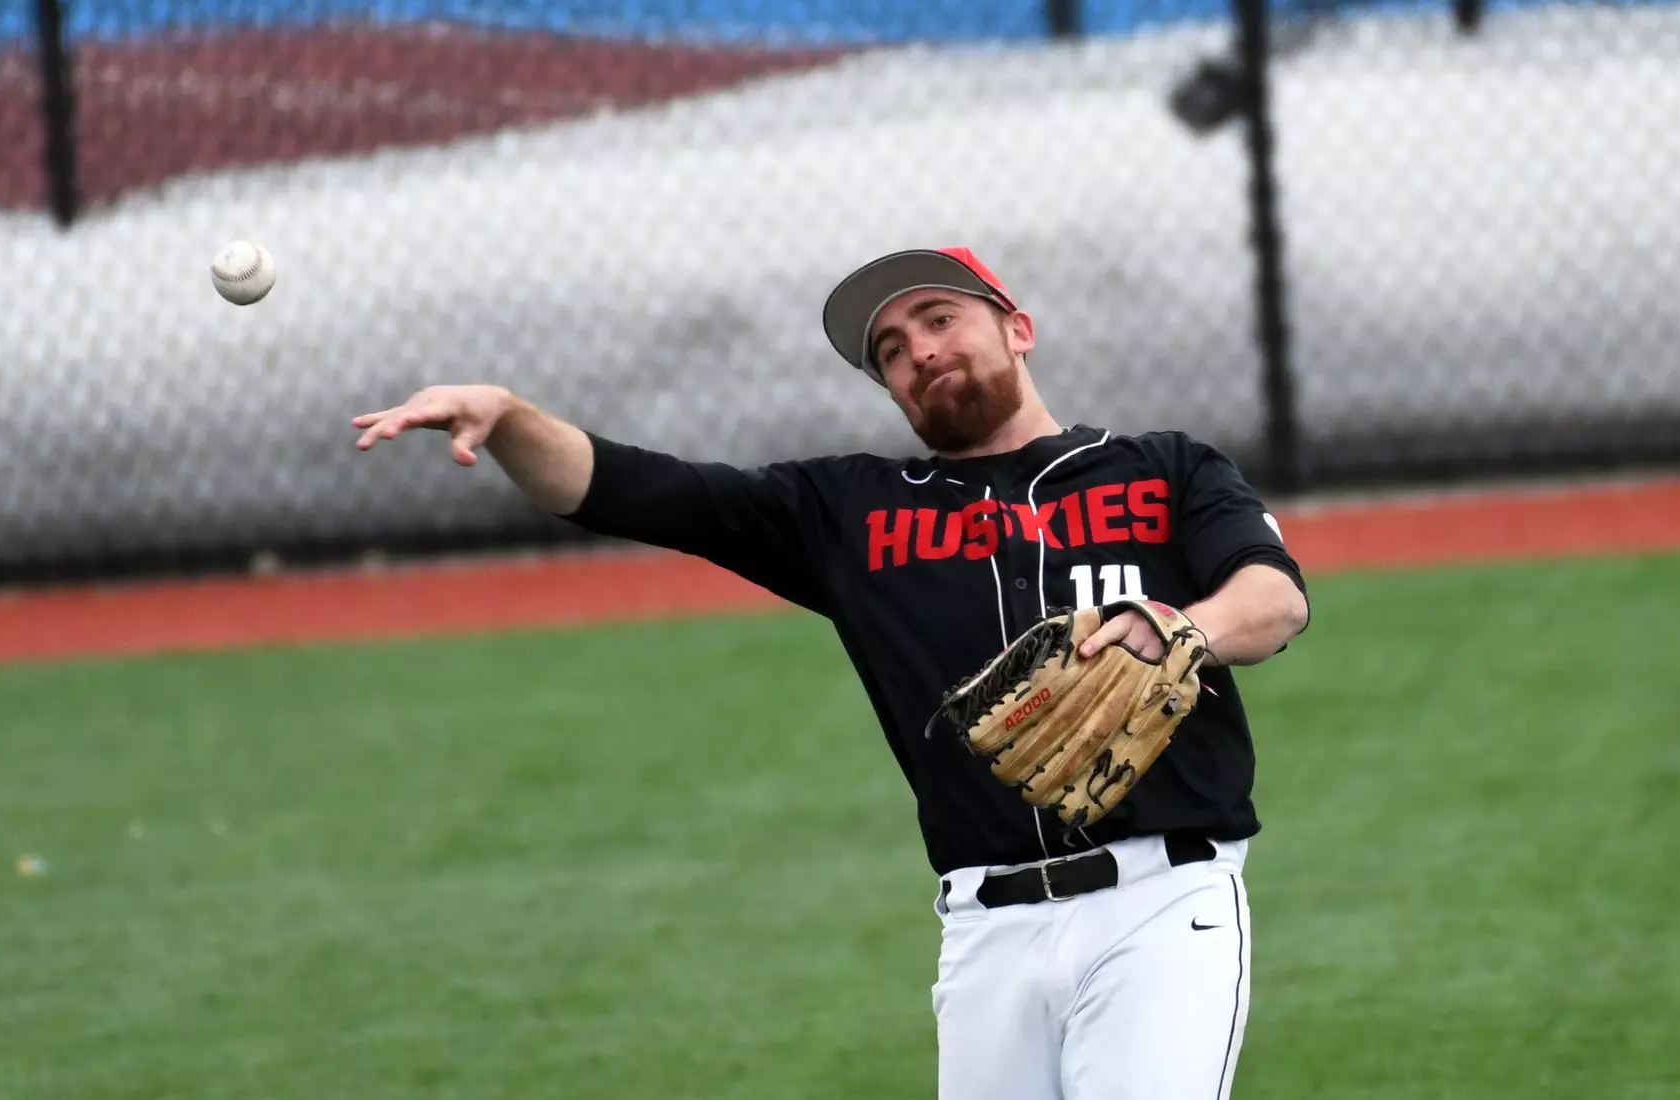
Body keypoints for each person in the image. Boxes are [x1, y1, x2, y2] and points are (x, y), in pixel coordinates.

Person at [352, 246, 1311, 1099]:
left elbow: (1273, 598)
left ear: (1017, 330)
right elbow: (638, 490)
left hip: (1159, 909)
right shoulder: (852, 513)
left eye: (939, 319)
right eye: (890, 349)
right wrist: (509, 418)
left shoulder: (1162, 471)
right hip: (986, 937)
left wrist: (1183, 628)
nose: (918, 350)